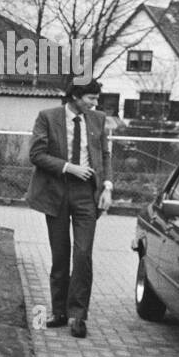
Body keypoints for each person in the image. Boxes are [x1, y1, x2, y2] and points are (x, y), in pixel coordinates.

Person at [26, 80, 112, 339]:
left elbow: (105, 155)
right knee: (60, 255)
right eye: (90, 98)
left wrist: (107, 186)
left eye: (96, 99)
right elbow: (36, 154)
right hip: (57, 193)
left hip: (87, 194)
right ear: (75, 96)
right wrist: (68, 167)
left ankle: (78, 316)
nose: (94, 103)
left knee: (83, 254)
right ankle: (59, 312)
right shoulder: (47, 117)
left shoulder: (97, 119)